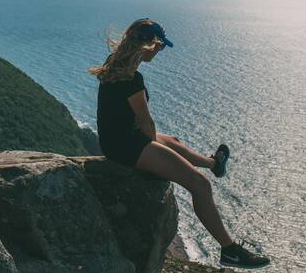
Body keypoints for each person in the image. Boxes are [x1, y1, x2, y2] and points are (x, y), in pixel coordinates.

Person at [88, 17, 270, 270]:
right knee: (200, 185)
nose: (160, 52)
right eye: (160, 47)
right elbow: (146, 123)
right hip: (127, 146)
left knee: (173, 141)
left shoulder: (115, 65)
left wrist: (160, 147)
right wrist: (154, 154)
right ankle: (230, 250)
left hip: (118, 138)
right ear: (149, 45)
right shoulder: (132, 79)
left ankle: (212, 163)